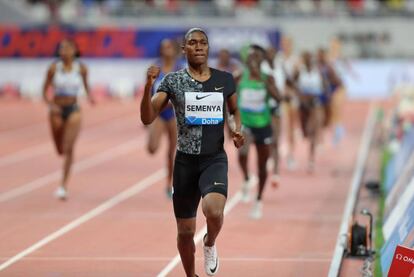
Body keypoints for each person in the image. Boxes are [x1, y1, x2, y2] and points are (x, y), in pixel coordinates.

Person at [140, 28, 244, 277]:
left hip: (213, 159)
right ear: (184, 49)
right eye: (193, 43)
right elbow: (147, 117)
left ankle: (209, 242)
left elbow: (233, 111)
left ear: (208, 48)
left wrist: (237, 130)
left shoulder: (225, 80)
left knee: (214, 211)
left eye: (203, 43)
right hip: (185, 163)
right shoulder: (172, 81)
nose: (198, 47)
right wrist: (148, 87)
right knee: (185, 233)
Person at [42, 38, 95, 200]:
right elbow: (44, 90)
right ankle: (63, 183)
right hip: (56, 110)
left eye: (67, 48)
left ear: (74, 50)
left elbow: (86, 85)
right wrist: (51, 105)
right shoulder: (53, 68)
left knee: (68, 147)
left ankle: (63, 186)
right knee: (60, 150)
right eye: (61, 48)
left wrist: (90, 97)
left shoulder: (81, 68)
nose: (64, 51)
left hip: (73, 109)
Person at [237, 45, 281, 219]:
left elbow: (278, 98)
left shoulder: (267, 78)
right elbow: (229, 99)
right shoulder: (240, 78)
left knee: (263, 166)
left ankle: (258, 200)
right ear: (246, 61)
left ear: (261, 61)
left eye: (257, 58)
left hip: (263, 125)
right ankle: (247, 178)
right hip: (246, 124)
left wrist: (267, 85)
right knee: (243, 153)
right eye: (251, 58)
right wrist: (230, 123)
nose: (253, 61)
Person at [146, 38, 181, 198]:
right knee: (152, 148)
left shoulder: (179, 69)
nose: (166, 50)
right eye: (163, 47)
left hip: (174, 113)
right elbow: (147, 91)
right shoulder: (155, 68)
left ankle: (170, 184)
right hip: (158, 113)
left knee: (172, 153)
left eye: (169, 47)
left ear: (174, 50)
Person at [294, 51, 327, 173]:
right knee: (305, 132)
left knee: (312, 130)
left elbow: (325, 87)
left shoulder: (318, 72)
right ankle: (308, 139)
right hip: (303, 106)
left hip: (315, 105)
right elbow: (292, 85)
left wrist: (318, 95)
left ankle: (311, 160)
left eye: (310, 58)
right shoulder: (299, 71)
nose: (308, 61)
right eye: (306, 58)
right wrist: (301, 95)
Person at [261, 45, 287, 188]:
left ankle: (276, 172)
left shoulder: (280, 67)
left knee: (276, 139)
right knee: (267, 140)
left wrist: (288, 94)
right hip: (264, 107)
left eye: (273, 53)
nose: (271, 55)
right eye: (268, 53)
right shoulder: (262, 69)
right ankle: (266, 162)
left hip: (277, 106)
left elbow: (288, 81)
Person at [278, 36, 301, 170]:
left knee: (291, 127)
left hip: (292, 98)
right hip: (280, 97)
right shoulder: (278, 59)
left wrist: (291, 90)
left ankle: (291, 155)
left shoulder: (296, 60)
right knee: (280, 126)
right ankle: (277, 153)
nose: (285, 46)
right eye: (284, 43)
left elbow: (298, 80)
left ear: (291, 45)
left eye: (288, 44)